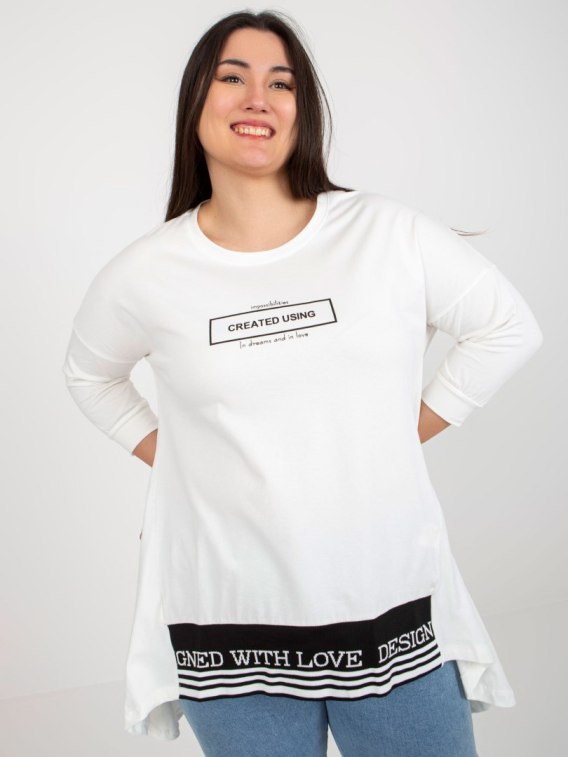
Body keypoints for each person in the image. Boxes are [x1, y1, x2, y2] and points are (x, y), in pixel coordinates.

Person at [61, 9, 543, 756]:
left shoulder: (385, 234)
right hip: (228, 627)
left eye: (281, 83)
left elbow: (507, 327)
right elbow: (88, 374)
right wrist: (181, 461)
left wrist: (398, 435)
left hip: (388, 610)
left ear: (302, 110)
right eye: (233, 77)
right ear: (196, 102)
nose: (258, 97)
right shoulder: (146, 273)